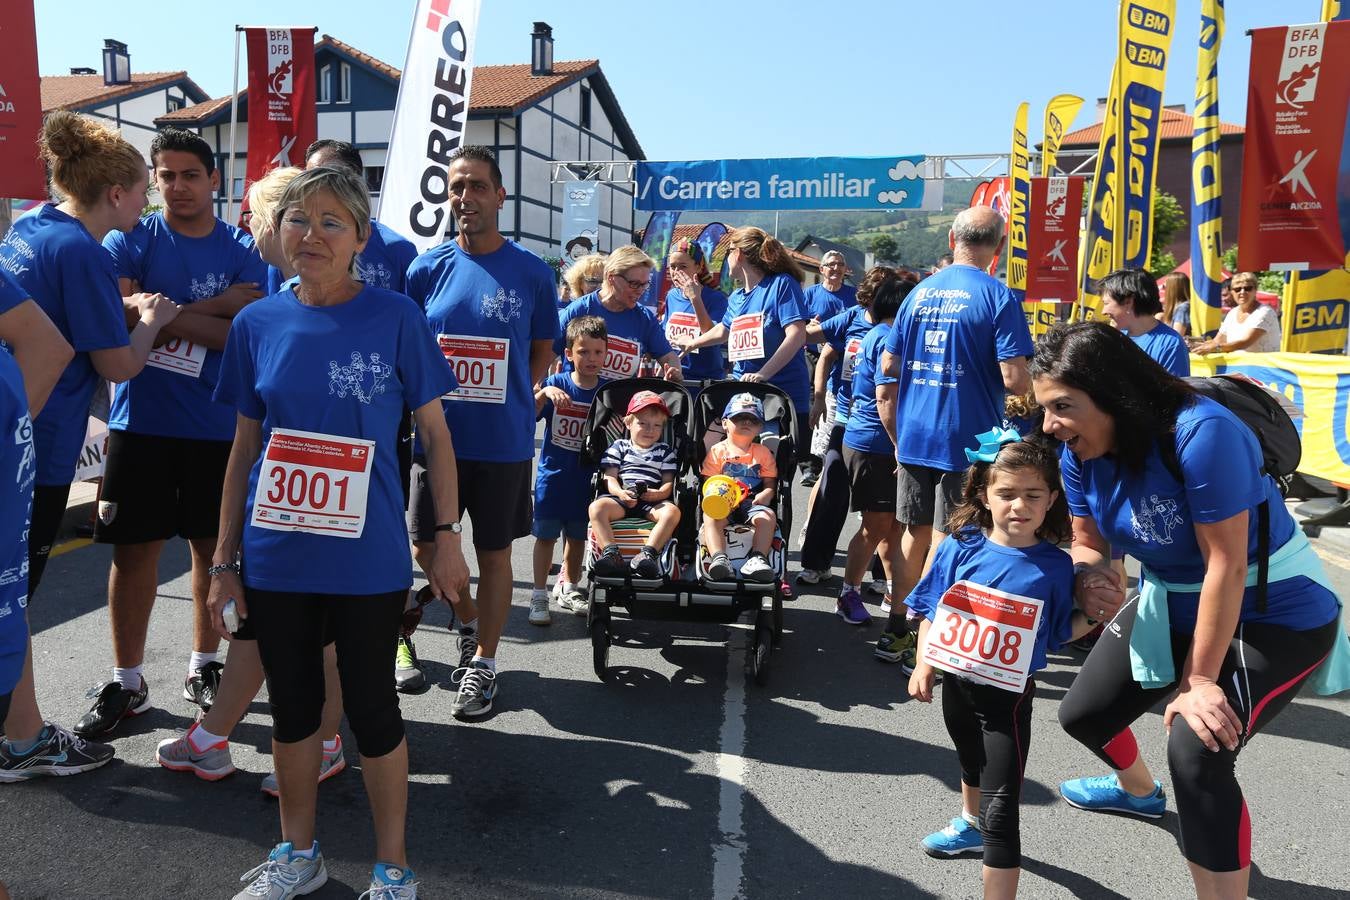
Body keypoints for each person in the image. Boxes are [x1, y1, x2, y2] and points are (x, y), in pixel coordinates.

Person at [210, 165, 468, 900]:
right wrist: (224, 560)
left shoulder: (394, 316)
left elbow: (435, 435)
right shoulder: (256, 323)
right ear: (275, 232)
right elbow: (241, 451)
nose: (312, 234)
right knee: (292, 711)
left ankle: (393, 868)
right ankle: (298, 854)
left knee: (371, 708)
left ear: (360, 236)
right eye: (298, 219)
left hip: (367, 556)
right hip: (277, 553)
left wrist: (444, 532)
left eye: (331, 221)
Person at [1033, 322, 1348, 900]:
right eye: (1047, 409)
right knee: (1083, 716)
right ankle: (1137, 793)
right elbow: (1088, 540)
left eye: (1063, 407)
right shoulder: (1078, 451)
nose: (1050, 425)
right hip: (1172, 600)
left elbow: (1225, 565)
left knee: (1196, 748)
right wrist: (1090, 578)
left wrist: (1199, 681)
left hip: (1273, 610)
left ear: (1112, 394)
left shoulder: (1202, 432)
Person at [154, 166, 350, 794]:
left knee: (320, 626)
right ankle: (214, 738)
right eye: (288, 220)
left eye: (259, 218)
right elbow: (247, 434)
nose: (258, 232)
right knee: (261, 622)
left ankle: (323, 742)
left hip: (334, 488)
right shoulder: (266, 305)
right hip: (276, 486)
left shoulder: (339, 291)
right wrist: (225, 553)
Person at [0, 111, 179, 781]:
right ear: (113, 194)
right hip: (35, 451)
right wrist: (153, 322)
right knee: (12, 601)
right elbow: (117, 366)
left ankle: (22, 734)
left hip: (20, 434)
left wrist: (120, 312)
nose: (148, 201)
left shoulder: (31, 227)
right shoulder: (84, 251)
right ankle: (21, 743)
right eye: (142, 190)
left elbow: (50, 314)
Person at [73, 128, 268, 740]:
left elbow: (241, 330)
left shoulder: (241, 245)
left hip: (216, 426)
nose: (178, 185)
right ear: (152, 182)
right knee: (134, 557)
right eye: (166, 175)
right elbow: (122, 310)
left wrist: (165, 315)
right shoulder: (130, 238)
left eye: (190, 174)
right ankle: (127, 680)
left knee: (213, 556)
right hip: (141, 425)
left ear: (216, 180)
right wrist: (208, 308)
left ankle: (203, 665)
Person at [404, 145, 559, 719]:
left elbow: (542, 351)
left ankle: (485, 665)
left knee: (495, 555)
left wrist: (510, 394)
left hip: (502, 443)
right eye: (455, 188)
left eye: (475, 187)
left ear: (500, 195)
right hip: (435, 442)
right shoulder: (426, 268)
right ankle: (469, 620)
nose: (464, 198)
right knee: (426, 546)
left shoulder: (532, 272)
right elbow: (411, 350)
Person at [907, 435, 1093, 900]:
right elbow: (934, 609)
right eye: (1006, 494)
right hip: (957, 688)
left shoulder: (1055, 567)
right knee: (969, 760)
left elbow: (1055, 632)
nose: (1019, 506)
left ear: (1052, 500)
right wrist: (923, 663)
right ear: (984, 495)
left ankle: (991, 862)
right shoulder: (959, 547)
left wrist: (1093, 616)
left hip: (1007, 703)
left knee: (1002, 812)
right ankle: (969, 824)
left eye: (1033, 495)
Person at [878, 206, 1033, 661]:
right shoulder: (997, 295)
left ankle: (895, 629)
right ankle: (927, 637)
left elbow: (888, 364)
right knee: (950, 536)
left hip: (914, 432)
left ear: (951, 238)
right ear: (997, 246)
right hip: (967, 437)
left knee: (913, 531)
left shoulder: (919, 292)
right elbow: (1015, 380)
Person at [797, 266, 897, 586]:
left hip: (881, 424)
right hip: (845, 417)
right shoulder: (851, 318)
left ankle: (881, 575)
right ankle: (816, 563)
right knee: (831, 492)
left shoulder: (899, 329)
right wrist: (818, 397)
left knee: (883, 508)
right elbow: (821, 349)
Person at [677, 227, 812, 444]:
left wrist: (763, 374)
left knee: (769, 451)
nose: (725, 261)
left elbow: (797, 335)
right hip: (744, 395)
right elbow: (723, 330)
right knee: (709, 443)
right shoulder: (737, 297)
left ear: (738, 254)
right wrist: (692, 344)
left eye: (728, 253)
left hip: (780, 396)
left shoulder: (781, 284)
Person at [837, 277, 914, 630]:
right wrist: (900, 445)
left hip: (873, 441)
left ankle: (894, 594)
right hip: (875, 444)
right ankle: (848, 593)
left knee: (895, 526)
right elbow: (885, 399)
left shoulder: (876, 335)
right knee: (877, 525)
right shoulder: (885, 338)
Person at [530, 315, 608, 623]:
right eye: (583, 351)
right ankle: (538, 594)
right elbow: (530, 415)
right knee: (546, 537)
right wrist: (543, 393)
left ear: (606, 353)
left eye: (597, 352)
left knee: (578, 539)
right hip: (553, 476)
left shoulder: (607, 393)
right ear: (569, 354)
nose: (591, 358)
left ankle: (570, 586)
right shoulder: (557, 384)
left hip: (586, 480)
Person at [304, 139, 418, 294]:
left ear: (355, 181)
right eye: (309, 178)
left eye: (328, 178)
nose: (316, 187)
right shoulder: (292, 245)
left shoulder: (398, 250)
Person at [557, 245, 684, 383]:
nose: (640, 290)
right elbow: (545, 352)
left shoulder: (644, 319)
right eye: (634, 284)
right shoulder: (579, 310)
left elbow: (669, 357)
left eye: (645, 284)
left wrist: (674, 372)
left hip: (620, 402)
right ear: (611, 277)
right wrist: (538, 388)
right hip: (577, 403)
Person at [589, 391, 681, 579]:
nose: (650, 430)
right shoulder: (619, 446)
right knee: (596, 507)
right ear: (628, 422)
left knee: (672, 512)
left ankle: (648, 553)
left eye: (656, 426)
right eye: (643, 424)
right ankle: (610, 552)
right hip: (621, 498)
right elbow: (610, 477)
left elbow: (668, 484)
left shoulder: (665, 451)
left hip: (651, 501)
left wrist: (658, 495)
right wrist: (621, 493)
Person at [701, 393, 779, 583]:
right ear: (725, 423)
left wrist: (767, 494)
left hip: (752, 501)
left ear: (760, 427)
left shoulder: (762, 453)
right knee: (710, 516)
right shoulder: (717, 451)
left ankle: (758, 558)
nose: (746, 422)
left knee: (767, 518)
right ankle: (719, 557)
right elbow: (708, 481)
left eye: (752, 419)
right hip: (723, 501)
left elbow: (770, 482)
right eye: (739, 418)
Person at [661, 238, 728, 390]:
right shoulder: (671, 296)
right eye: (672, 267)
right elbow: (666, 333)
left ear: (698, 267)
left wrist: (695, 298)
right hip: (675, 379)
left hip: (704, 383)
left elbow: (712, 335)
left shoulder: (716, 298)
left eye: (683, 266)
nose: (676, 272)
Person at [1099, 268, 1189, 377]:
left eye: (1106, 303)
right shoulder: (1115, 337)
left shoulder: (1170, 344)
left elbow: (1175, 393)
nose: (1103, 311)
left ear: (1128, 302)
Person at [1192, 271, 1280, 354]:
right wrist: (1196, 345)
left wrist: (1215, 347)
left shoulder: (1265, 312)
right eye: (1237, 289)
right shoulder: (1232, 313)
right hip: (1237, 367)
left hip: (1262, 368)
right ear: (1232, 292)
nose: (1242, 292)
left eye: (1248, 288)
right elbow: (1217, 341)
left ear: (1255, 290)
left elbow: (1245, 342)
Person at [1160, 271, 1191, 337]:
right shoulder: (1181, 307)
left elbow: (1176, 337)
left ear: (1172, 288)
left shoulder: (1183, 308)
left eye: (1165, 286)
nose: (1163, 289)